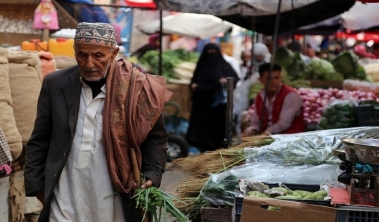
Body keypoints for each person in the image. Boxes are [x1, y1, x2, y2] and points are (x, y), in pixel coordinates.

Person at [24, 22, 171, 222]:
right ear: (74, 51)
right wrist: (37, 185)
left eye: (98, 56)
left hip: (114, 192)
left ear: (114, 53)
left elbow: (156, 139)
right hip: (66, 190)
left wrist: (152, 174)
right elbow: (40, 138)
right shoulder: (55, 83)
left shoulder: (137, 89)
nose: (89, 63)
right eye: (82, 55)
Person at [186, 43, 238, 152]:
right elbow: (194, 81)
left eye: (213, 51)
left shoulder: (224, 65)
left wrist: (225, 80)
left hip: (218, 105)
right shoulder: (201, 66)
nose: (210, 54)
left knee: (218, 131)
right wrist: (194, 86)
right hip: (202, 104)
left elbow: (234, 78)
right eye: (208, 51)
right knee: (202, 131)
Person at [242, 63, 304, 136]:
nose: (273, 82)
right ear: (260, 79)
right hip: (268, 137)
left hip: (289, 138)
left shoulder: (291, 96)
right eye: (269, 78)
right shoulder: (260, 96)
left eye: (276, 78)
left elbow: (284, 124)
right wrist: (252, 130)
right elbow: (256, 122)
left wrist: (264, 134)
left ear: (281, 77)